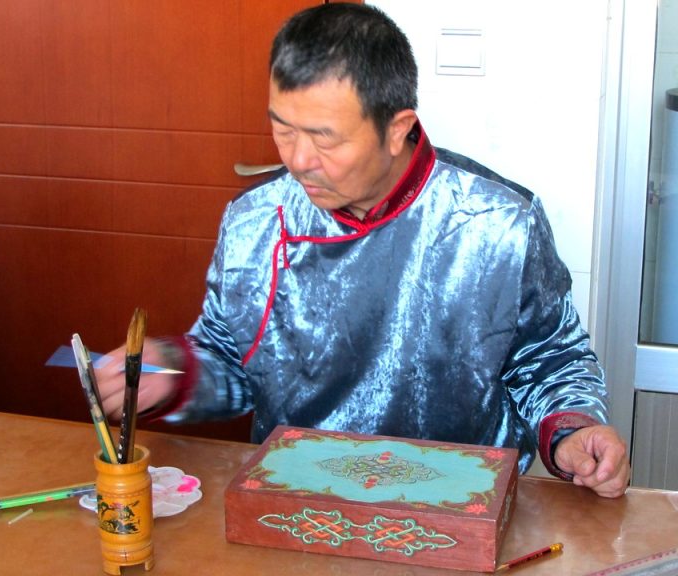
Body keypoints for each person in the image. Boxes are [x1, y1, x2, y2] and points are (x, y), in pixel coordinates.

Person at [95, 2, 629, 498]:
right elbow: (231, 359)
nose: (299, 160)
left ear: (397, 129)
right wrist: (170, 372)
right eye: (282, 130)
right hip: (298, 500)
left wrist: (571, 431)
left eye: (324, 138)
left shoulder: (497, 223)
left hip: (459, 505)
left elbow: (551, 359)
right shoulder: (255, 222)